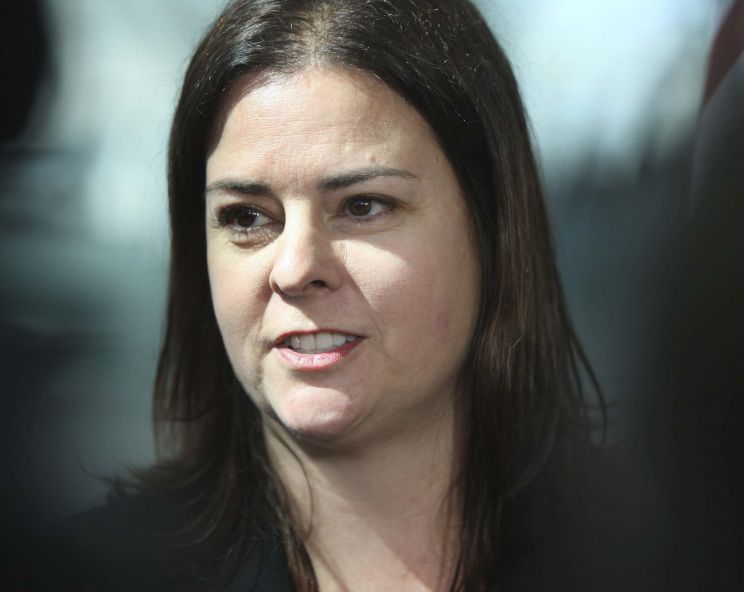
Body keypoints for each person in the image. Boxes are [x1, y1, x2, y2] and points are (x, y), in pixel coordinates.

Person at [47, 0, 604, 590]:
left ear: (493, 225)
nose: (294, 270)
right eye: (246, 216)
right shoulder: (79, 575)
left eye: (363, 206)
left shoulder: (656, 552)